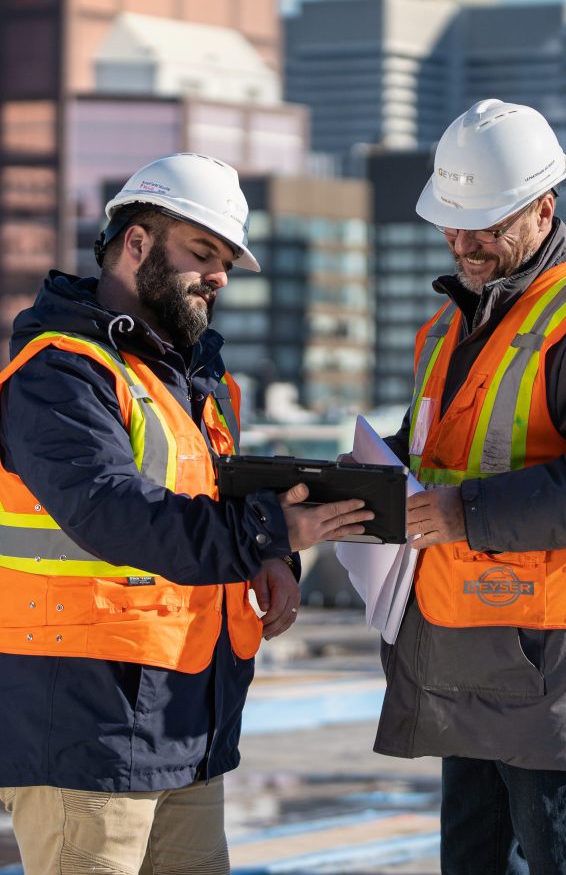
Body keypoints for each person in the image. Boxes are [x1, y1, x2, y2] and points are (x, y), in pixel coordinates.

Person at [0, 152, 374, 875]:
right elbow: (111, 511)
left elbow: (206, 499)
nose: (220, 277)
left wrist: (272, 554)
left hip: (181, 722)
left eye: (227, 260)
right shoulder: (61, 373)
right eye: (203, 253)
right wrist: (267, 531)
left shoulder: (186, 380)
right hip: (85, 731)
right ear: (135, 244)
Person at [375, 99, 566, 875]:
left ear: (543, 207)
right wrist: (352, 482)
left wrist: (465, 513)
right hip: (466, 645)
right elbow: (432, 450)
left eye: (485, 224)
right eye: (452, 222)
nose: (464, 242)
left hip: (553, 657)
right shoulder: (452, 327)